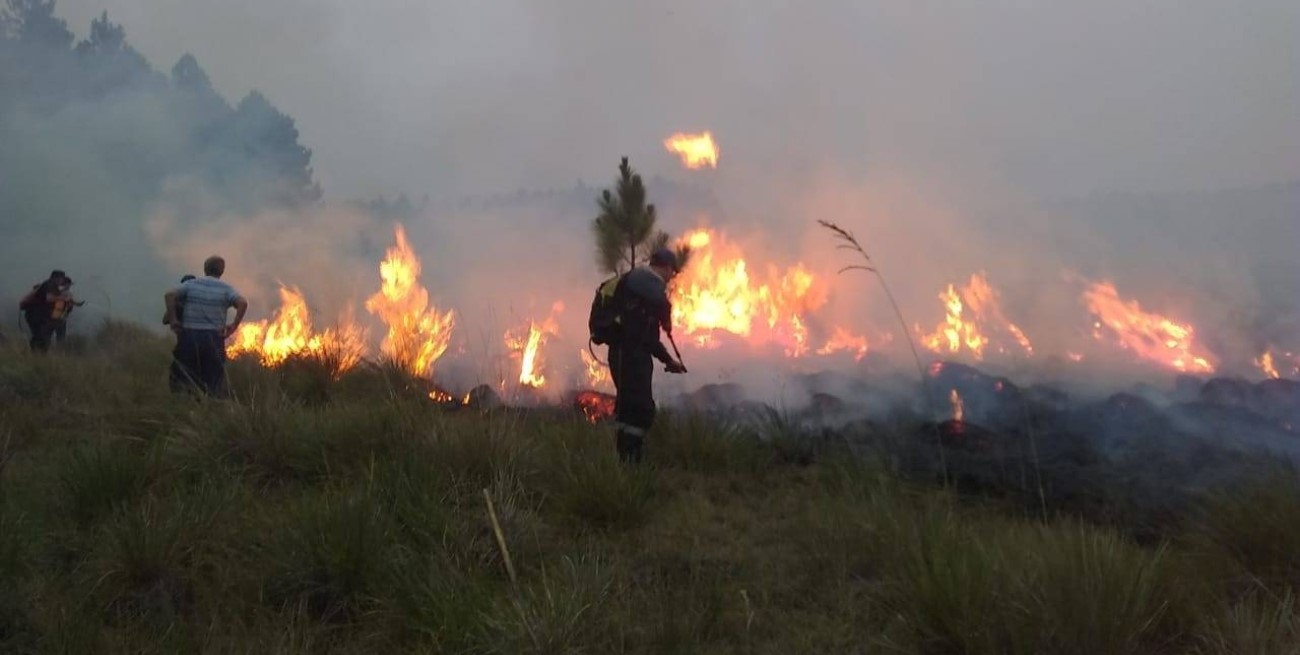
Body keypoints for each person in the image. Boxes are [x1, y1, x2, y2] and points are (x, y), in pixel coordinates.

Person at [605, 248, 688, 463]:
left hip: (627, 354)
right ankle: (631, 462)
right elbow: (660, 307)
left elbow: (649, 338)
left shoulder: (640, 292)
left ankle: (626, 462)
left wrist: (668, 360)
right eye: (672, 272)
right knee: (641, 409)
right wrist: (666, 314)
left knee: (630, 409)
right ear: (666, 267)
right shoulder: (645, 279)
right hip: (629, 357)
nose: (672, 277)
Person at [163, 257, 247, 396]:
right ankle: (207, 408)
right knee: (212, 382)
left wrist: (173, 320)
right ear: (222, 271)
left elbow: (169, 294)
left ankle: (181, 408)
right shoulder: (226, 289)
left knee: (183, 377)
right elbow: (242, 303)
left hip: (190, 337)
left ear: (205, 268)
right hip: (214, 339)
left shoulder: (191, 284)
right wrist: (233, 327)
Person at [19, 270, 69, 352]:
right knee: (41, 336)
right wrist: (62, 297)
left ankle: (37, 355)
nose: (62, 281)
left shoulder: (52, 286)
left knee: (40, 336)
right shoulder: (49, 284)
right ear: (57, 278)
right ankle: (37, 354)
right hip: (34, 315)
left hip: (37, 315)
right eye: (62, 279)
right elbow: (49, 298)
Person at [164, 274, 197, 392]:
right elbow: (165, 319)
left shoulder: (184, 303)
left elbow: (166, 320)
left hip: (185, 342)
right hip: (188, 341)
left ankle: (179, 393)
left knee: (180, 369)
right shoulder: (187, 303)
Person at [47, 277, 85, 345]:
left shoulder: (57, 292)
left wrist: (78, 304)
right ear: (66, 284)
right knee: (60, 337)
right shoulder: (64, 293)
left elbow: (71, 302)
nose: (69, 286)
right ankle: (59, 351)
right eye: (69, 284)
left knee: (52, 336)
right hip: (59, 317)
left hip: (55, 317)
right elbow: (69, 302)